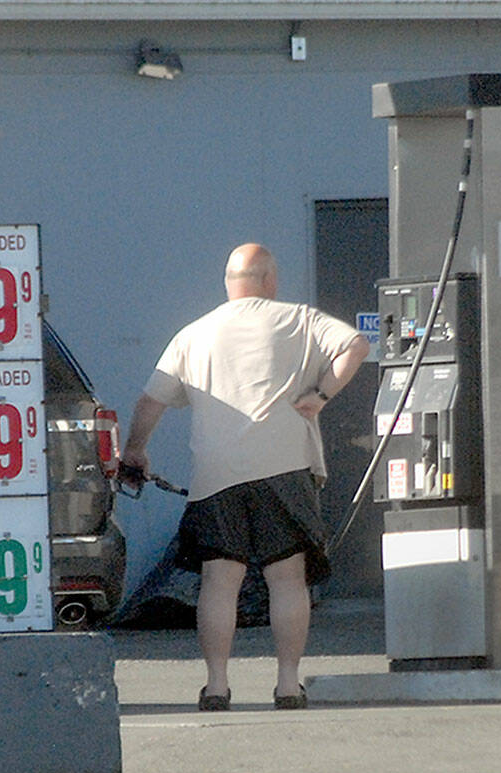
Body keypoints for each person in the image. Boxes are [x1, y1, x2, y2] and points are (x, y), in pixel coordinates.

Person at [122, 243, 368, 711]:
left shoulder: (193, 334)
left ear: (228, 283)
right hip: (285, 468)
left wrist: (135, 451)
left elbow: (150, 401)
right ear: (269, 280)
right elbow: (356, 345)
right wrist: (320, 394)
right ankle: (288, 685)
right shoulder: (299, 319)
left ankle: (216, 686)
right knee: (287, 578)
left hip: (217, 474)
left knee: (219, 581)